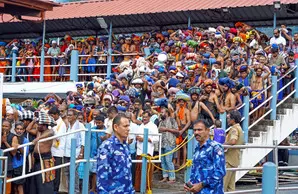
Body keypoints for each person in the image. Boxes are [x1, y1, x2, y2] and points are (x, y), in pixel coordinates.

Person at [96, 114, 135, 193]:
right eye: (125, 126)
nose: (128, 129)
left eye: (128, 126)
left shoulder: (125, 146)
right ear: (116, 127)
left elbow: (128, 173)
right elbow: (102, 175)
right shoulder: (107, 146)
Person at [184, 120, 226, 193]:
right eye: (195, 130)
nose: (196, 132)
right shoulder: (197, 148)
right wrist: (190, 182)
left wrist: (202, 184)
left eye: (199, 130)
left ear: (207, 131)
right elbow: (196, 170)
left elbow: (220, 172)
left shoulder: (215, 147)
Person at [30, 111, 56, 194]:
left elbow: (51, 133)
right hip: (37, 159)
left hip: (45, 159)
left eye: (39, 124)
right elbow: (28, 129)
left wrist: (38, 138)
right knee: (37, 181)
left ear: (44, 125)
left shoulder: (49, 131)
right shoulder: (38, 131)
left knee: (46, 180)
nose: (38, 125)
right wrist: (34, 120)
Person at [134, 111, 159, 192]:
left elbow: (156, 139)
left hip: (148, 151)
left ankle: (147, 188)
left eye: (146, 117)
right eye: (143, 117)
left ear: (149, 117)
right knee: (138, 170)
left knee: (147, 171)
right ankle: (138, 188)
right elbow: (136, 136)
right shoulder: (140, 126)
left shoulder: (153, 126)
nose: (144, 118)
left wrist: (144, 139)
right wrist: (137, 138)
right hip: (139, 151)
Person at [63, 109, 85, 194]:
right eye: (67, 115)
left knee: (74, 173)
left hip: (76, 153)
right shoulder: (67, 125)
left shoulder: (80, 126)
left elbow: (83, 140)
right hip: (66, 153)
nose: (68, 117)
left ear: (75, 116)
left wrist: (81, 153)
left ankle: (75, 191)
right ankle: (70, 190)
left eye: (70, 115)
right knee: (67, 172)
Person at [224, 110, 244, 192]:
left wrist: (224, 144)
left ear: (233, 119)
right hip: (235, 159)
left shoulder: (234, 129)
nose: (227, 120)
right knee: (231, 185)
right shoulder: (239, 128)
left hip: (229, 159)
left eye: (229, 118)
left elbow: (233, 141)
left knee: (224, 183)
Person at [48, 106, 67, 193]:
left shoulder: (61, 124)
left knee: (56, 172)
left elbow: (58, 137)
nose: (51, 117)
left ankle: (55, 190)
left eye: (52, 115)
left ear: (56, 115)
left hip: (58, 151)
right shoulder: (53, 122)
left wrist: (51, 128)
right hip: (51, 150)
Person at [158, 107, 179, 183]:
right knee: (163, 161)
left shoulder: (172, 120)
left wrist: (166, 129)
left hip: (170, 143)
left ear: (167, 113)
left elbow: (177, 131)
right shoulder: (160, 121)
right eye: (161, 112)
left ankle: (172, 178)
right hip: (162, 143)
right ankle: (165, 176)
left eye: (163, 112)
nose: (161, 114)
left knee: (168, 161)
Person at [90, 114, 108, 193]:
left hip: (103, 154)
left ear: (103, 122)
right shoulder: (92, 130)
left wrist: (104, 138)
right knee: (94, 173)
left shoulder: (107, 131)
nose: (98, 124)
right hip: (93, 153)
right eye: (96, 123)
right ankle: (93, 189)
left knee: (101, 172)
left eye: (99, 123)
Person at [1, 119, 18, 194]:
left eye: (6, 126)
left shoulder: (13, 137)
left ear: (10, 127)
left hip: (8, 164)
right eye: (2, 125)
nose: (4, 127)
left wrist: (5, 142)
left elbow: (14, 153)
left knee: (7, 186)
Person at [12, 122, 29, 194]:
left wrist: (19, 146)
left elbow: (25, 154)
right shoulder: (12, 138)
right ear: (15, 129)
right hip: (11, 165)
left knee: (20, 186)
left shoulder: (25, 140)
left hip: (20, 165)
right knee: (14, 187)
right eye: (17, 129)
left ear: (24, 130)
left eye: (21, 129)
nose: (19, 131)